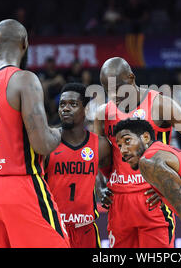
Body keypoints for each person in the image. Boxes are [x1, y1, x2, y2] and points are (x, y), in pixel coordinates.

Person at [0, 19, 70, 248]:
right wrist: (60, 131)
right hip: (18, 185)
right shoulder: (24, 80)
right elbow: (42, 144)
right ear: (25, 43)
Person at [94, 57, 181, 248]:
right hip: (119, 204)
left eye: (116, 87)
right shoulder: (103, 114)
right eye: (106, 88)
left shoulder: (159, 104)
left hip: (154, 202)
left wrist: (175, 184)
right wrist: (101, 186)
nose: (113, 94)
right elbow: (97, 156)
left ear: (131, 77)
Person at [113, 118, 181, 248]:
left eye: (127, 141)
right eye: (119, 145)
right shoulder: (162, 151)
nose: (123, 151)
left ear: (145, 137)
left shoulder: (149, 162)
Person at [43, 83, 112, 247]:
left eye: (73, 104)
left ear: (86, 110)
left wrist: (103, 187)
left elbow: (114, 174)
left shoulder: (101, 146)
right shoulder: (47, 142)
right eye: (62, 104)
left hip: (86, 230)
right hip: (54, 227)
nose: (65, 109)